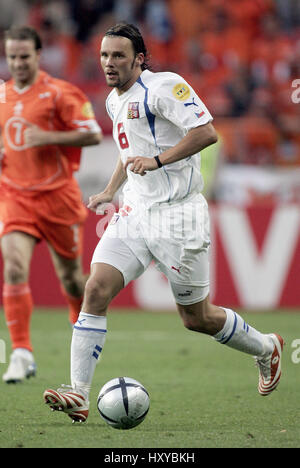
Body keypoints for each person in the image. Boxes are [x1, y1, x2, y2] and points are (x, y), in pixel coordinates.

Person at [43, 23, 284, 423]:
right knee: (96, 289)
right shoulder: (113, 101)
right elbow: (129, 151)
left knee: (196, 318)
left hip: (179, 216)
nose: (108, 63)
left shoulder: (165, 87)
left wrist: (157, 161)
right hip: (135, 212)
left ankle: (266, 348)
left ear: (139, 59)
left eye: (118, 55)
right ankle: (80, 394)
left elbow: (206, 133)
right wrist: (109, 191)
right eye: (104, 56)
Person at [0, 26, 102, 383]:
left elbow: (93, 133)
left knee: (73, 281)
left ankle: (82, 337)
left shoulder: (61, 93)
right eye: (12, 57)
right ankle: (22, 353)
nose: (18, 63)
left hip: (58, 197)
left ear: (39, 55)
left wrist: (49, 137)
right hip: (14, 196)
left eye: (24, 56)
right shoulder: (1, 95)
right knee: (13, 268)